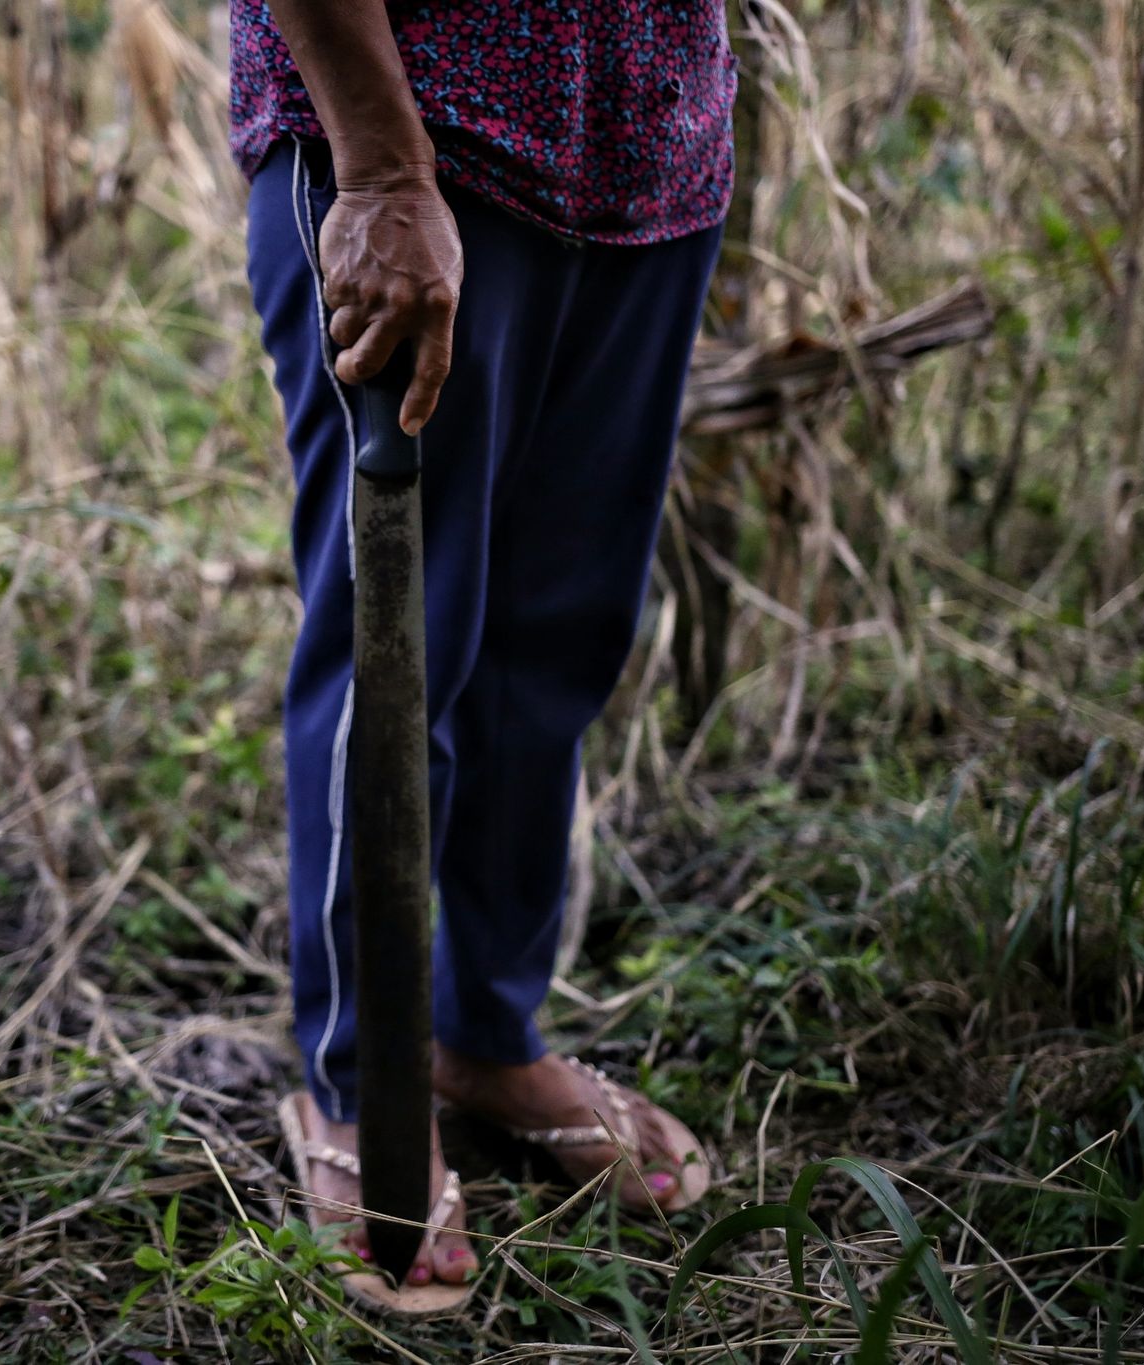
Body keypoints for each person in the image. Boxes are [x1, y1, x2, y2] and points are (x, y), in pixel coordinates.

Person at [233, 0, 735, 1312]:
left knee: (557, 642)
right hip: (419, 137)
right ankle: (363, 1092)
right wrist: (384, 171)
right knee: (400, 647)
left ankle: (482, 1036)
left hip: (646, 155)